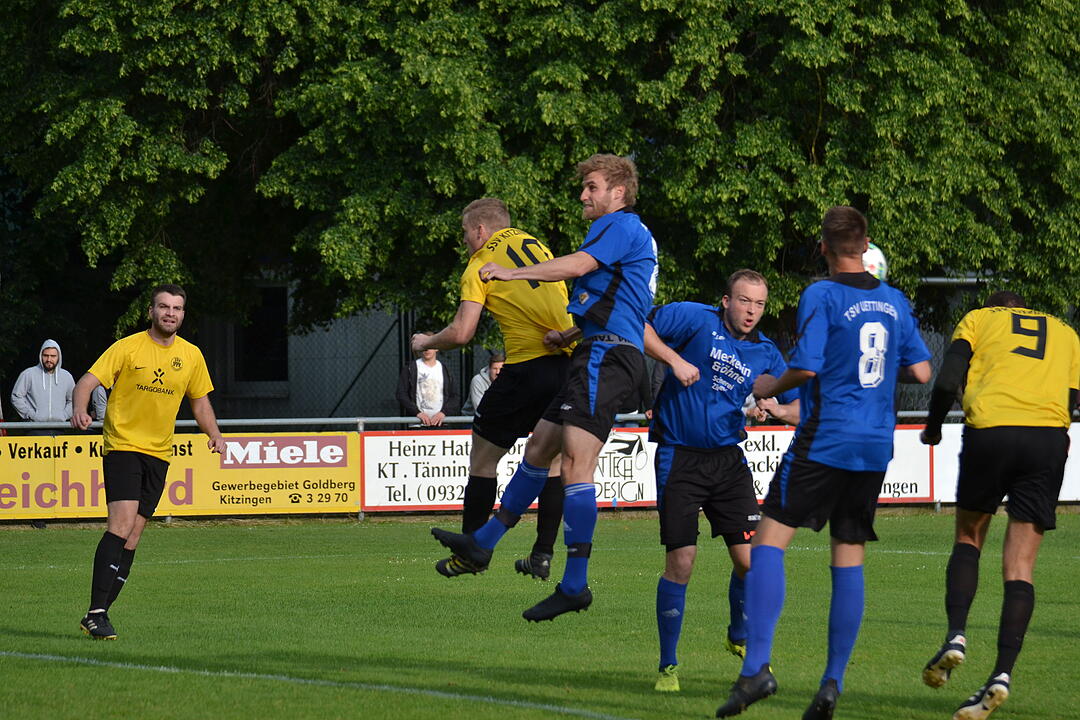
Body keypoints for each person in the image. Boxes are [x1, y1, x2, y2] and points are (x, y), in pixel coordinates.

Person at [715, 206, 932, 718]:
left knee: (768, 542)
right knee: (848, 554)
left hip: (827, 436)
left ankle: (756, 670)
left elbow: (807, 367)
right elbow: (922, 370)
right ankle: (832, 681)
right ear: (867, 243)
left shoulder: (822, 294)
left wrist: (770, 384)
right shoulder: (895, 301)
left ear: (823, 248)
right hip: (875, 444)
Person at [430, 153, 658, 621]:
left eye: (592, 187)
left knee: (574, 465)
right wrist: (570, 333)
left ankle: (574, 584)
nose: (583, 195)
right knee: (539, 449)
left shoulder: (620, 225)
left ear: (618, 192)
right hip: (591, 349)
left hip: (606, 357)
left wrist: (512, 273)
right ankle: (481, 544)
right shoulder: (620, 234)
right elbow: (618, 302)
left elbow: (576, 267)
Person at [919, 291, 1079, 720]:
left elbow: (950, 377)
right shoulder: (1066, 332)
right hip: (1047, 438)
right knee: (1021, 566)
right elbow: (1071, 399)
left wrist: (933, 428)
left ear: (996, 307)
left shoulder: (978, 319)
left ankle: (956, 636)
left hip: (992, 429)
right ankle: (1001, 675)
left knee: (969, 536)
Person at [645, 269, 799, 693]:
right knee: (682, 562)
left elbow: (799, 406)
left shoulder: (767, 353)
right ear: (726, 300)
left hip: (728, 462)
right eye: (744, 301)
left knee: (751, 562)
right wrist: (674, 360)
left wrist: (781, 410)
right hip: (679, 457)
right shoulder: (693, 318)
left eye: (759, 304)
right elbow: (636, 325)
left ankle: (738, 632)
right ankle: (668, 666)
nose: (751, 311)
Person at [411, 198, 574, 579]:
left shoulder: (480, 263)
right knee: (550, 462)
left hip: (526, 367)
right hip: (567, 365)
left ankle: (471, 550)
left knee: (483, 459)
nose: (465, 241)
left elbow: (463, 332)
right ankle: (542, 554)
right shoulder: (537, 246)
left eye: (466, 233)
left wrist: (425, 341)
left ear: (481, 231)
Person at [70, 283, 226, 640]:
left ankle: (99, 613)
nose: (171, 313)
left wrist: (214, 434)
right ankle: (96, 612)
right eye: (164, 307)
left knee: (134, 535)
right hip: (124, 446)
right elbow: (86, 383)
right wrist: (79, 409)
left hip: (160, 453)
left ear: (183, 314)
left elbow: (200, 403)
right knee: (121, 524)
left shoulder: (191, 356)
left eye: (177, 308)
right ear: (151, 311)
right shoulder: (127, 347)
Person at [11, 339, 75, 434]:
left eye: (53, 356)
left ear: (59, 357)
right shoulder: (28, 374)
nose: (49, 359)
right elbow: (16, 397)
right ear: (41, 355)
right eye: (46, 355)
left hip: (59, 428)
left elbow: (74, 399)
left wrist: (64, 415)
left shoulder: (66, 376)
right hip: (34, 429)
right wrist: (31, 415)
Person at [395, 346, 460, 427]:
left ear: (437, 348)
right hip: (417, 424)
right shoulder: (410, 368)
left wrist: (443, 413)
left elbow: (455, 396)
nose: (427, 350)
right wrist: (417, 413)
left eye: (430, 346)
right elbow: (401, 394)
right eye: (424, 347)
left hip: (441, 424)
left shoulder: (445, 369)